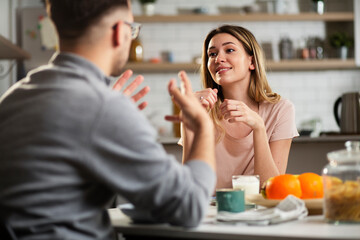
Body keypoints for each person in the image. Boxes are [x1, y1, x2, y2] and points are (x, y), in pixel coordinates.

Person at [0, 0, 216, 239]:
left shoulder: (14, 96)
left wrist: (108, 115)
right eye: (133, 30)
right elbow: (190, 207)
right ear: (119, 32)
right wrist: (204, 125)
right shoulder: (102, 108)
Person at [181, 25, 298, 189]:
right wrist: (188, 123)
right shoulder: (201, 111)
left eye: (229, 50)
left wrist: (258, 126)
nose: (218, 58)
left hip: (260, 212)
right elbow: (189, 186)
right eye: (212, 54)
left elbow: (271, 189)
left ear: (251, 61)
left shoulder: (280, 110)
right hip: (212, 212)